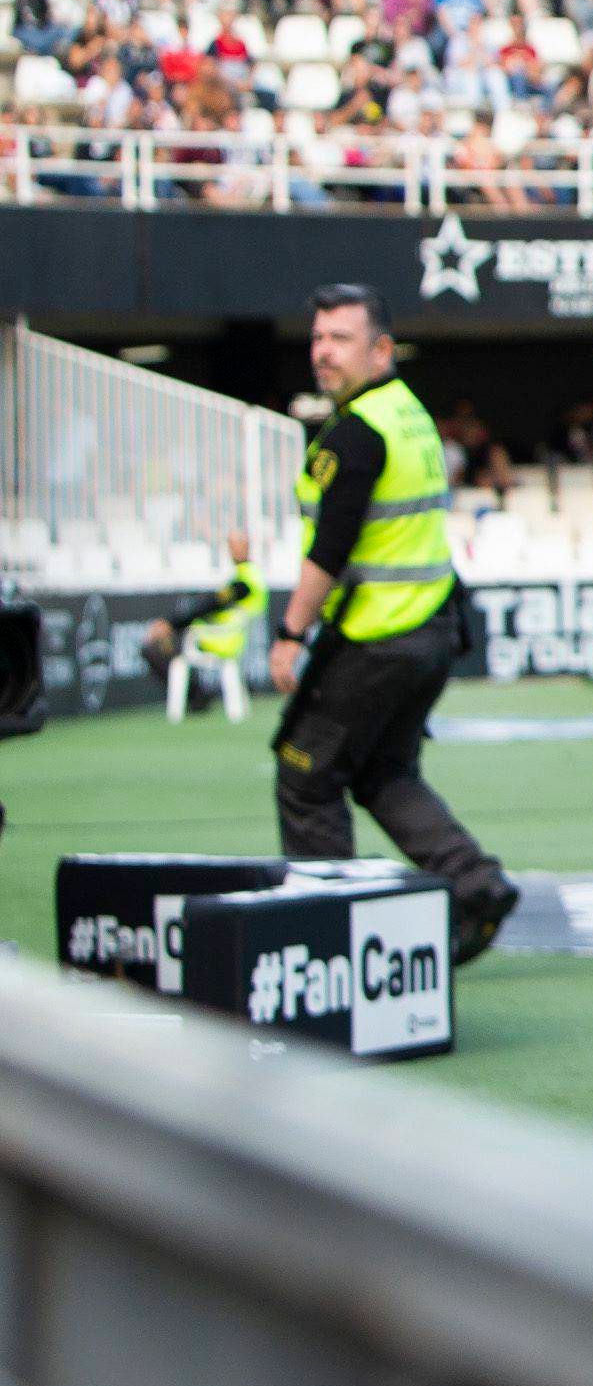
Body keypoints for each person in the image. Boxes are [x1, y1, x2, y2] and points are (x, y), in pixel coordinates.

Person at [271, 284, 520, 962]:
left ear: (380, 350)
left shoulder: (355, 431)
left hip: (376, 638)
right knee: (384, 773)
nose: (323, 353)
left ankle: (328, 943)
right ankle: (475, 888)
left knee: (306, 777)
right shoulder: (407, 412)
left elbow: (332, 546)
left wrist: (291, 633)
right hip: (432, 630)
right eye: (318, 338)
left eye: (339, 340)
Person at [149, 530, 266, 723]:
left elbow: (213, 603)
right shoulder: (252, 575)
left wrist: (172, 623)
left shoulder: (245, 580)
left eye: (236, 546)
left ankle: (195, 696)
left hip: (221, 640)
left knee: (156, 647)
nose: (232, 551)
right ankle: (197, 695)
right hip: (229, 638)